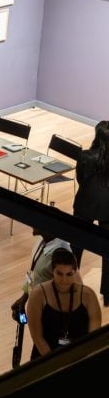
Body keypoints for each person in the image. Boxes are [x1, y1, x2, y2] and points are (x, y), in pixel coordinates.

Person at [26, 248, 102, 360]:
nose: (64, 279)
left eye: (69, 274)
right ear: (52, 271)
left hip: (81, 358)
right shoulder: (38, 295)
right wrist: (56, 362)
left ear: (75, 272)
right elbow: (37, 337)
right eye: (59, 273)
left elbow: (93, 338)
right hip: (46, 358)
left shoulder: (88, 295)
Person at [74, 120, 109, 306]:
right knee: (108, 252)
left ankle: (71, 283)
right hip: (108, 208)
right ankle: (108, 294)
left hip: (85, 203)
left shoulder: (86, 156)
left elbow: (80, 179)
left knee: (76, 246)